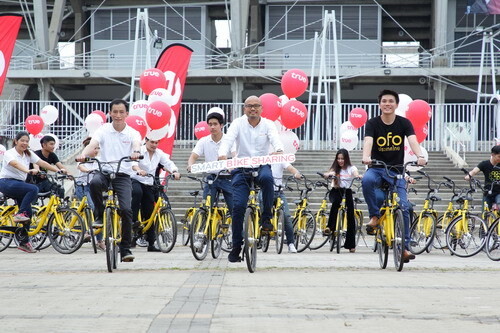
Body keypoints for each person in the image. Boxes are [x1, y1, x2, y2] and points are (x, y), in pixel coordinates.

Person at [361, 89, 426, 263]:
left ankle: (404, 248)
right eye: (384, 101)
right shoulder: (373, 123)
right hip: (377, 167)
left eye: (391, 101)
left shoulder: (404, 123)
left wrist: (419, 156)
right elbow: (368, 141)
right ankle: (374, 216)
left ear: (396, 105)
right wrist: (366, 157)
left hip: (396, 170)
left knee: (404, 206)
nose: (387, 104)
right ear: (379, 104)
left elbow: (413, 140)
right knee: (366, 181)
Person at [218, 95, 284, 262]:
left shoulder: (268, 124)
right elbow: (228, 139)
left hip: (262, 165)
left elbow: (276, 139)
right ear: (244, 108)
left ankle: (267, 217)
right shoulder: (238, 123)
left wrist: (279, 149)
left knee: (268, 179)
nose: (252, 109)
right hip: (241, 168)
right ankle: (236, 246)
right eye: (249, 106)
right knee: (238, 207)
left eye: (256, 106)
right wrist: (222, 154)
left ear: (261, 108)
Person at [77, 99, 142, 262]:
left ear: (127, 114)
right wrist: (84, 154)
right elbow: (93, 144)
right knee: (94, 183)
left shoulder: (133, 132)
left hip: (122, 175)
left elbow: (136, 144)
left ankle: (125, 248)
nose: (118, 115)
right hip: (104, 172)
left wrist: (135, 152)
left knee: (127, 210)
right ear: (110, 113)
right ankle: (99, 214)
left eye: (121, 112)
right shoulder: (103, 130)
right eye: (115, 112)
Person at [0, 131, 62, 253]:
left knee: (28, 214)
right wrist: (28, 171)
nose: (25, 143)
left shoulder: (28, 154)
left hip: (19, 184)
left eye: (27, 141)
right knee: (33, 188)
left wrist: (58, 170)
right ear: (16, 141)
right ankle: (20, 214)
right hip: (6, 182)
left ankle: (24, 242)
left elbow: (42, 163)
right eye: (22, 140)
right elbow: (15, 164)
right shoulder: (9, 153)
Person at [131, 137, 180, 252]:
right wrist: (138, 170)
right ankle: (133, 221)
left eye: (156, 142)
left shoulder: (159, 153)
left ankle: (151, 243)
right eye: (152, 142)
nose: (154, 144)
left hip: (149, 182)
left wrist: (175, 171)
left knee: (150, 212)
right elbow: (134, 163)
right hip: (136, 180)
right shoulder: (140, 150)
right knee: (137, 193)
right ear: (146, 141)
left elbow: (168, 163)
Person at [187, 112, 235, 215]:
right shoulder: (204, 141)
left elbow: (235, 155)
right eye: (210, 124)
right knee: (206, 208)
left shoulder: (229, 140)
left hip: (227, 177)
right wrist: (190, 165)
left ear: (221, 125)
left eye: (215, 124)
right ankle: (204, 229)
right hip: (211, 177)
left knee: (234, 209)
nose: (212, 127)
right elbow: (193, 156)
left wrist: (231, 166)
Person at [323, 149, 361, 253]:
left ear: (346, 159)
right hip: (336, 191)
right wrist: (328, 174)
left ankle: (351, 245)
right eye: (338, 158)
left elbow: (355, 172)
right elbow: (331, 172)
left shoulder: (351, 168)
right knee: (335, 203)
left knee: (350, 215)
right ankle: (330, 227)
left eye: (342, 159)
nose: (340, 161)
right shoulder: (335, 168)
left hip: (347, 191)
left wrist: (357, 176)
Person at [75, 137, 105, 251]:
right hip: (83, 187)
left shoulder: (100, 159)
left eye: (98, 148)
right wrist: (88, 171)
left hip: (94, 188)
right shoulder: (83, 158)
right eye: (94, 148)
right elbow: (80, 167)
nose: (96, 150)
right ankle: (90, 233)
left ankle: (99, 239)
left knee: (100, 210)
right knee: (94, 208)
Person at [267, 162, 302, 253]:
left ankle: (291, 243)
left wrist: (296, 173)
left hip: (279, 192)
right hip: (265, 191)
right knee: (263, 212)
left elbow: (290, 168)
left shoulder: (280, 159)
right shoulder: (263, 158)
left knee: (286, 216)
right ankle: (260, 237)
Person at [465, 145, 500, 210]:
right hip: (488, 192)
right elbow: (474, 171)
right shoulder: (484, 164)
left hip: (499, 192)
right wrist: (469, 176)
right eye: (499, 157)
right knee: (485, 212)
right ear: (493, 154)